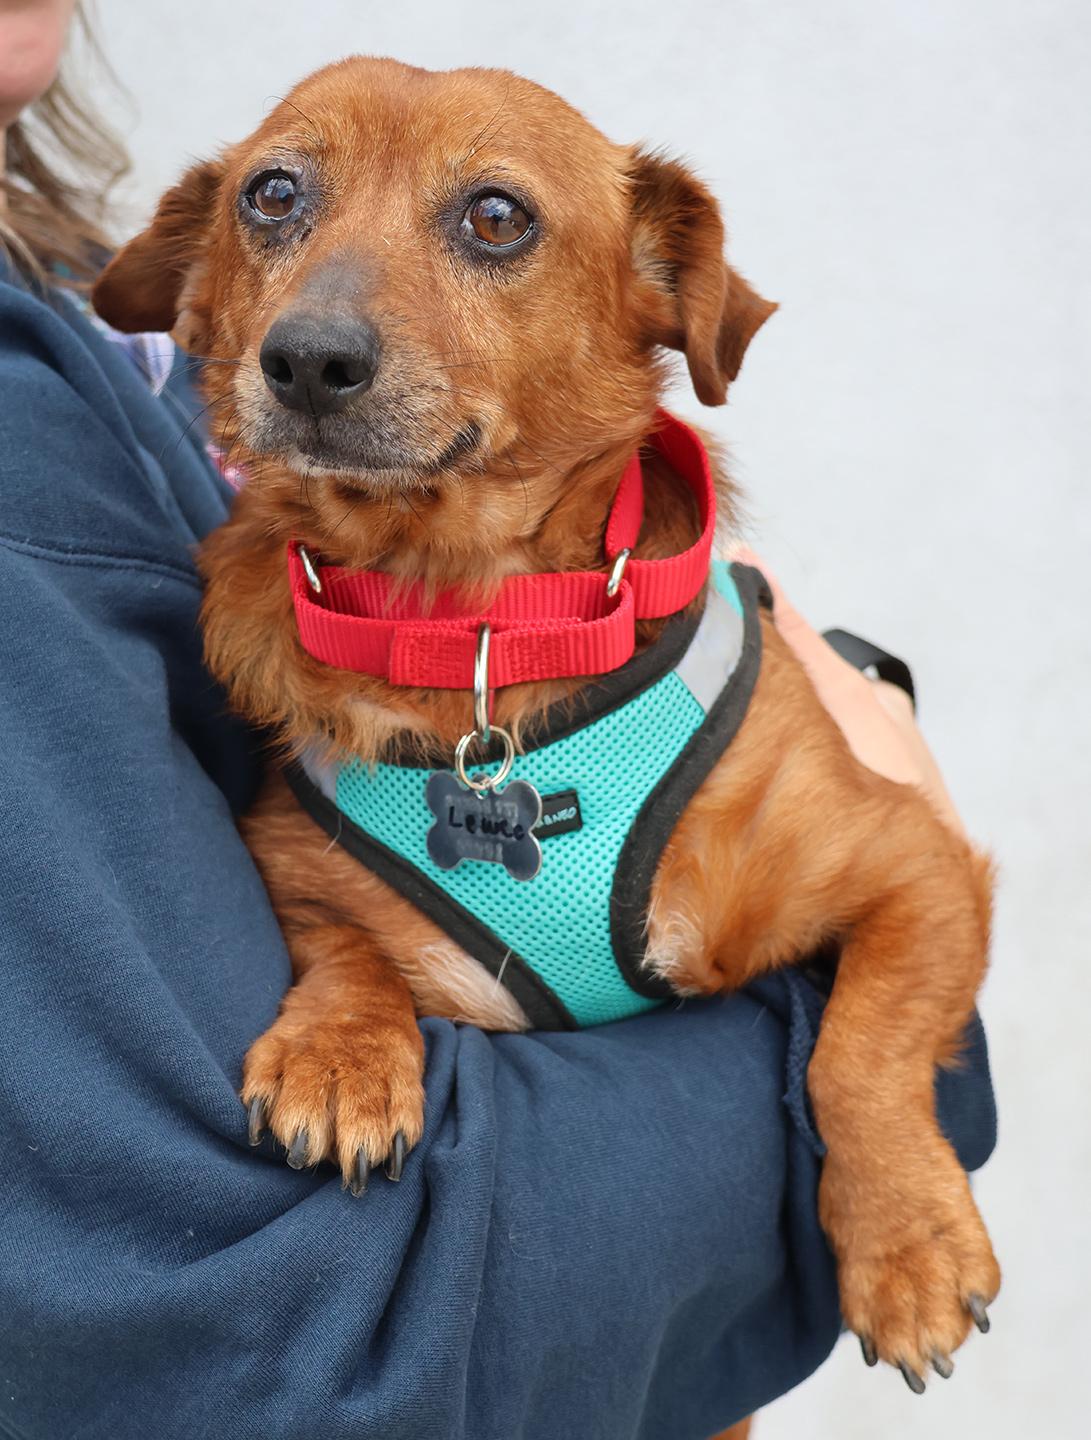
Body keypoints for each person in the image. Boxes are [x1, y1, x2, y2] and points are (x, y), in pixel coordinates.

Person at [0, 5, 996, 1437]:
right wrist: (351, 998)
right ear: (210, 288)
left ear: (653, 293)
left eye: (490, 222)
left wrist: (884, 1127)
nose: (327, 325)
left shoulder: (710, 719)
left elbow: (921, 887)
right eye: (282, 204)